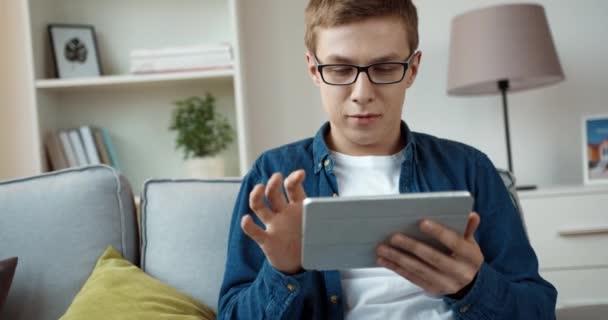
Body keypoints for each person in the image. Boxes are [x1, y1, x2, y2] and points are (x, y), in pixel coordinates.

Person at [218, 0, 557, 319]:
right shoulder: (273, 175)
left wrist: (472, 285)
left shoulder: (469, 168)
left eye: (384, 67)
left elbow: (538, 308)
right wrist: (282, 271)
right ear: (313, 69)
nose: (363, 93)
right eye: (339, 69)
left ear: (412, 69)